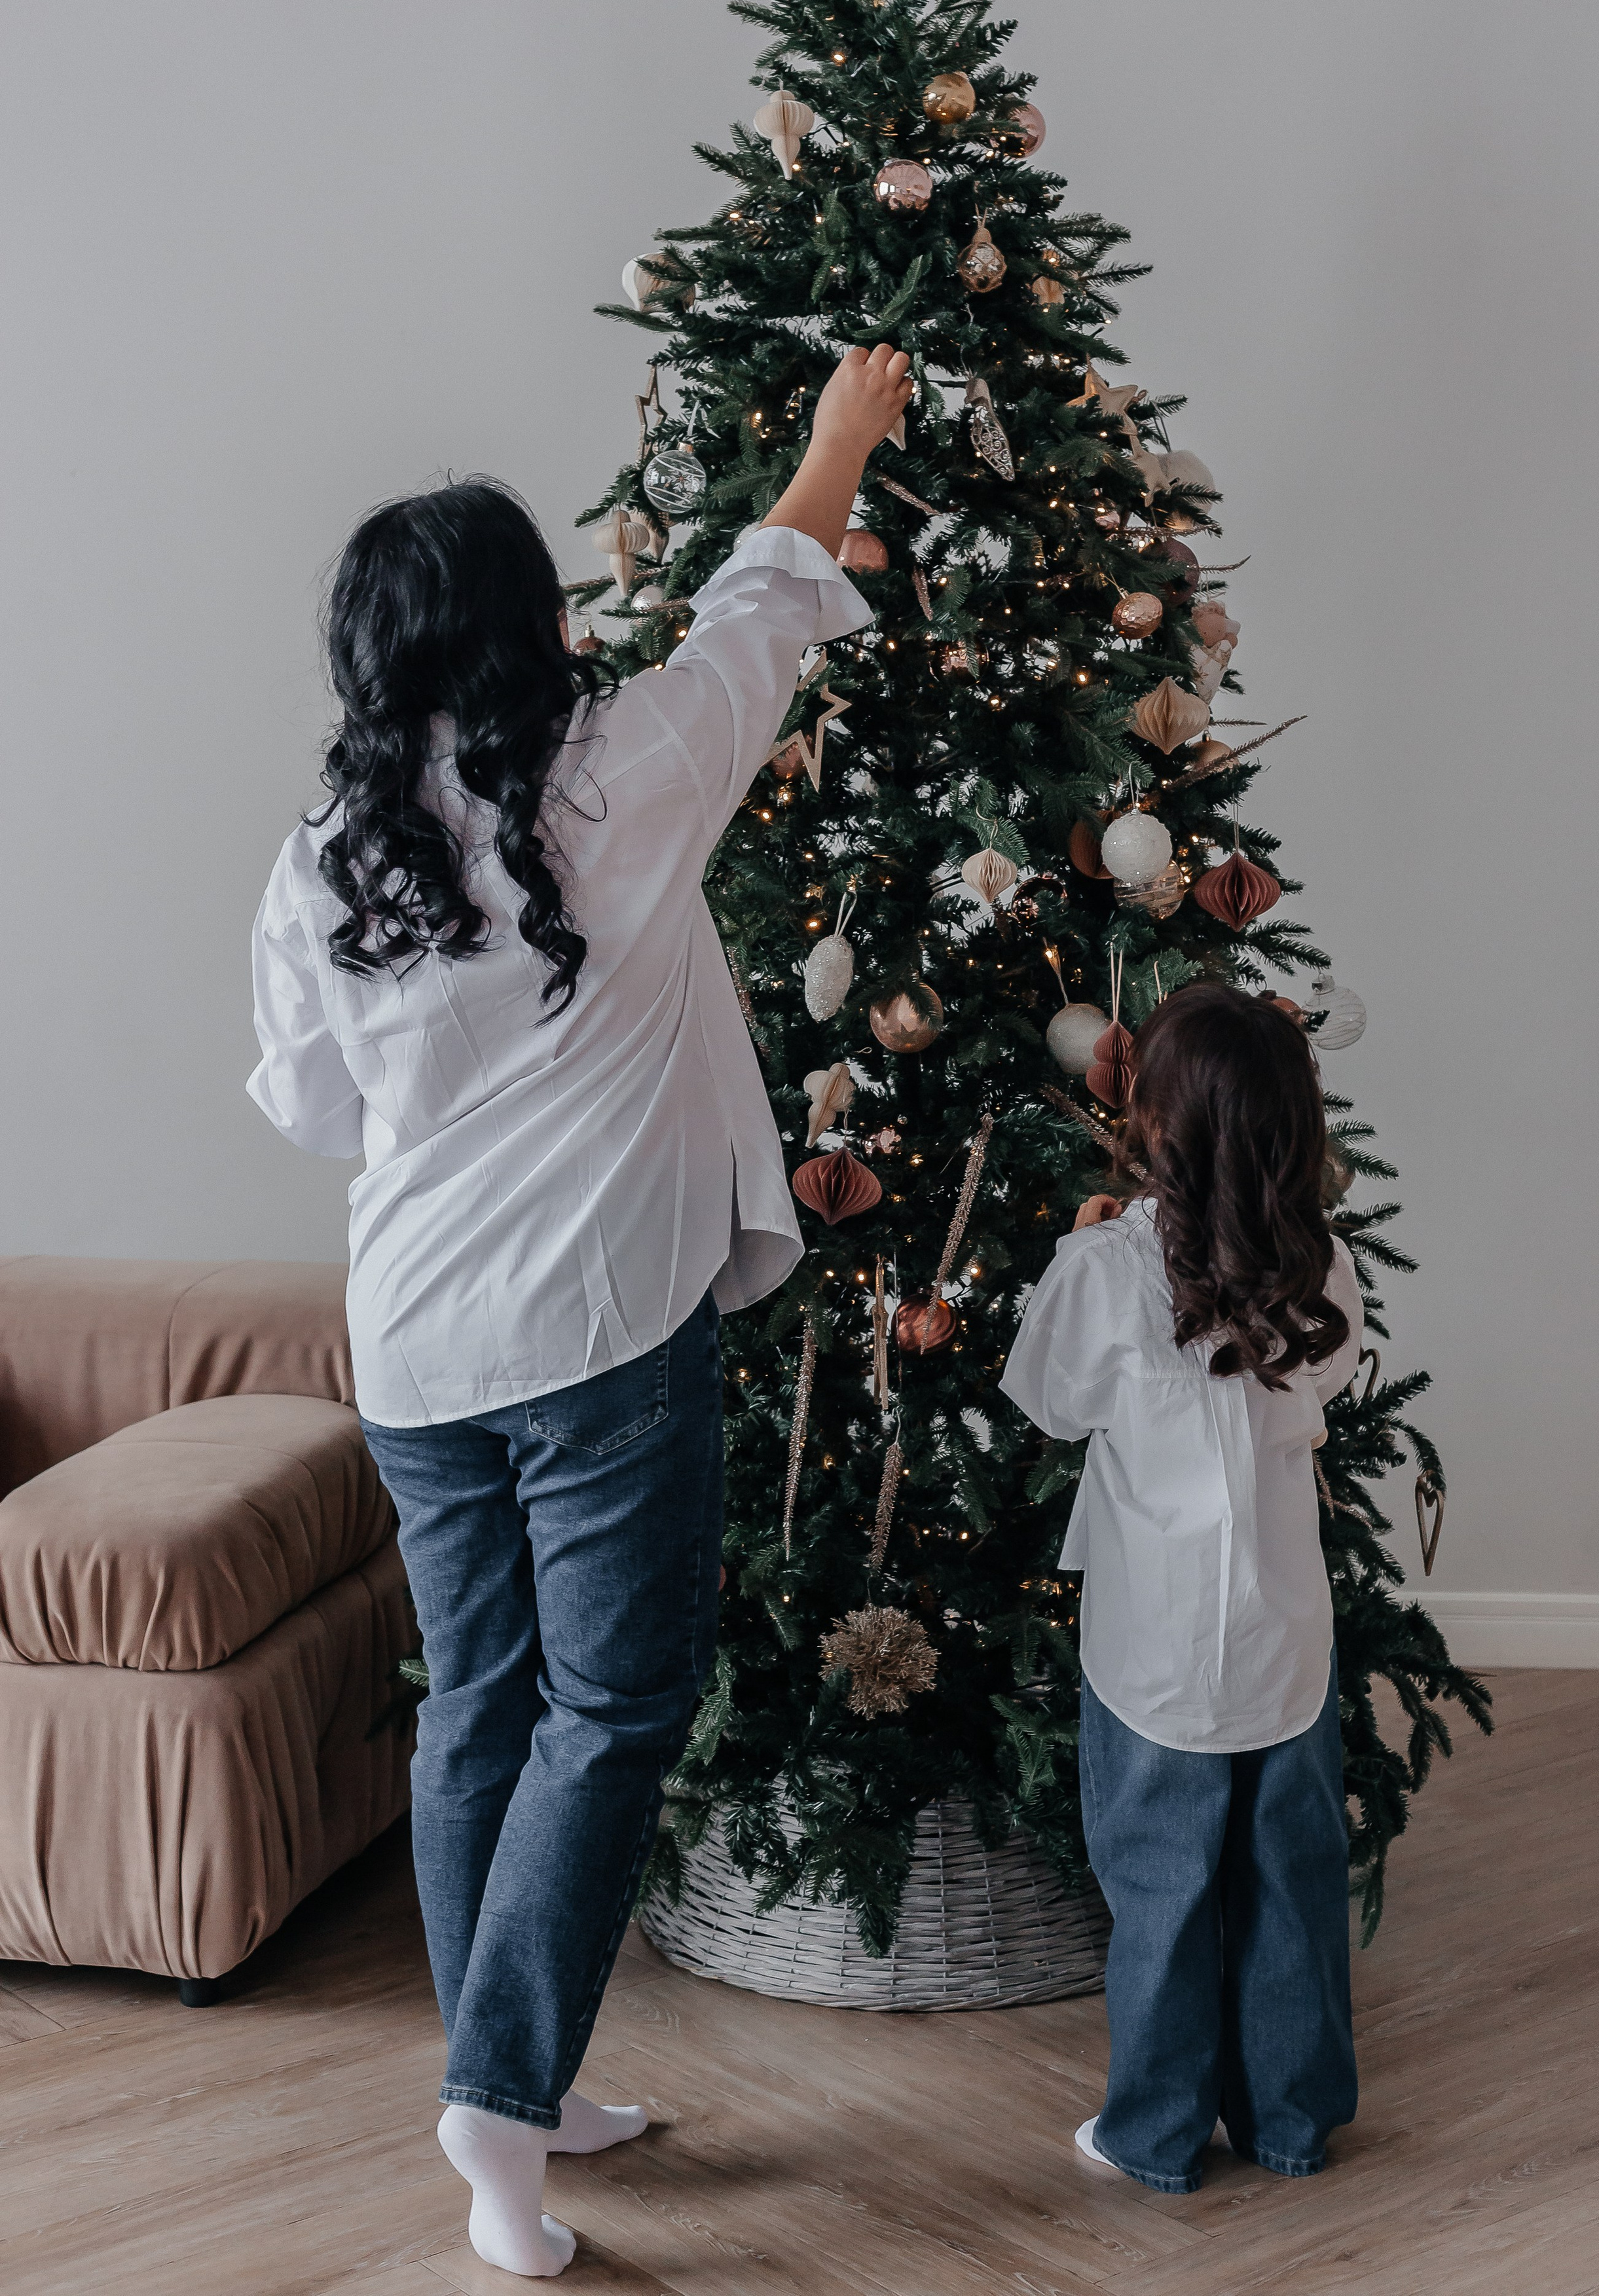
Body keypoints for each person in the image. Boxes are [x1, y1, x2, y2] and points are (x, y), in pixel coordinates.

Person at [247, 344, 913, 2278]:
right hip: (602, 1342)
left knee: (479, 1712)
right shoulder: (627, 768)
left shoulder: (320, 860)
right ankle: (507, 2109)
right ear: (534, 626)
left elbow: (309, 1106)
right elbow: (767, 593)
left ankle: (507, 2088)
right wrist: (843, 435)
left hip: (418, 1348)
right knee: (611, 1708)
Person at [1000, 980, 1364, 2196]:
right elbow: (1328, 1390)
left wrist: (1089, 1248)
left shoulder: (1103, 1271)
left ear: (1155, 1120)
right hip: (1283, 1635)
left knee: (1161, 1887)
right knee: (1291, 1879)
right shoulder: (1328, 1270)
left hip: (1153, 1643)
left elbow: (1049, 1405)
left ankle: (1154, 2135)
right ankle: (1292, 2121)